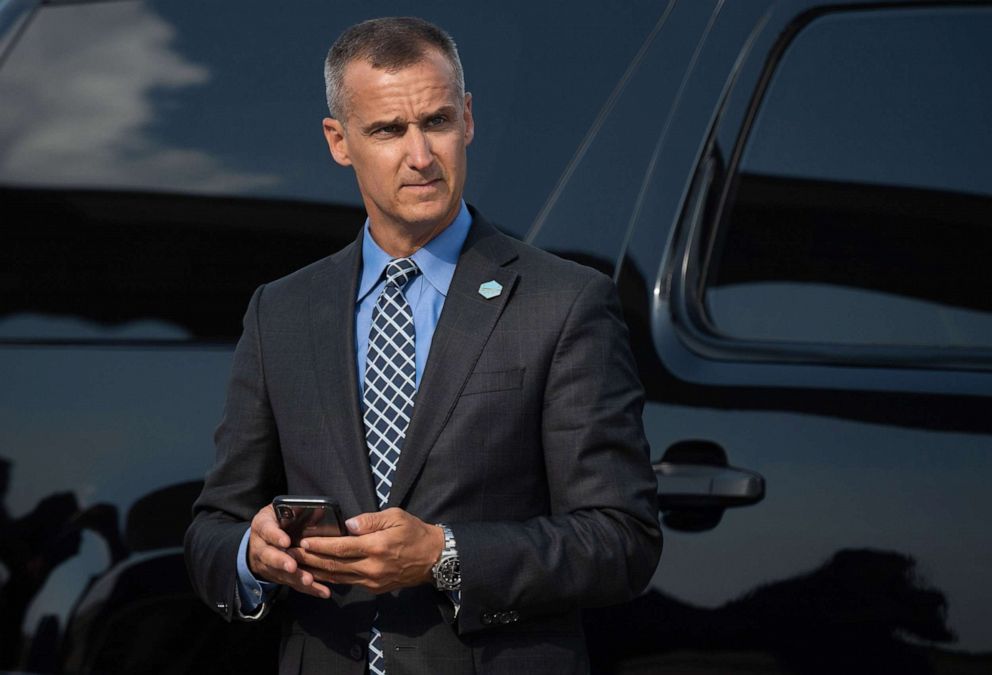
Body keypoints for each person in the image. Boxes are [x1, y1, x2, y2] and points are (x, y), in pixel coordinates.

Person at [184, 16, 661, 675]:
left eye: (435, 121)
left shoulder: (566, 302)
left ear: (466, 118)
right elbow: (213, 525)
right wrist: (251, 553)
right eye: (387, 129)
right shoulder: (281, 311)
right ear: (339, 140)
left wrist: (446, 552)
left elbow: (621, 539)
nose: (420, 154)